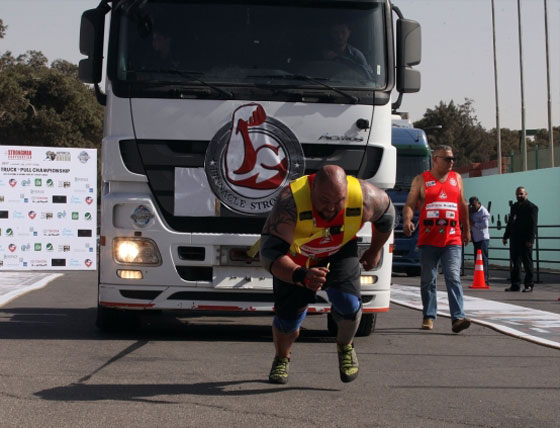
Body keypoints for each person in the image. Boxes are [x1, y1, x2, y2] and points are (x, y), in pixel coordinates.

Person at [259, 165, 394, 384]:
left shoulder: (366, 197)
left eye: (338, 201)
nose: (331, 208)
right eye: (324, 200)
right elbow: (269, 254)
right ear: (312, 190)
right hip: (297, 258)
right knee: (288, 320)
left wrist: (374, 250)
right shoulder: (289, 202)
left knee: (349, 304)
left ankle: (345, 346)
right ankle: (282, 357)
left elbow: (387, 216)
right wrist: (300, 274)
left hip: (338, 251)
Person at [402, 145, 471, 333]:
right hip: (428, 240)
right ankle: (429, 316)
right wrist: (407, 220)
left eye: (452, 159)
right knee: (428, 279)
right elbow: (409, 204)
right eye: (447, 159)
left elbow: (462, 204)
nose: (451, 162)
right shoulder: (421, 180)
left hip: (452, 239)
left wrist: (466, 229)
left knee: (453, 276)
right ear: (435, 159)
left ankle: (458, 317)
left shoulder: (456, 178)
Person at [502, 186, 539, 292]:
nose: (519, 196)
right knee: (515, 263)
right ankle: (515, 284)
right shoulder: (514, 207)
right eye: (517, 194)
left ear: (526, 194)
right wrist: (506, 236)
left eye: (521, 194)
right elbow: (510, 222)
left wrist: (531, 240)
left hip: (526, 240)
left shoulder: (532, 207)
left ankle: (529, 284)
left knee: (527, 263)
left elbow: (533, 225)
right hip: (515, 239)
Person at [469, 196, 490, 285]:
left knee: (483, 259)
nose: (473, 207)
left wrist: (473, 224)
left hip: (482, 239)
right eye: (471, 206)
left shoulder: (484, 212)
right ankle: (479, 277)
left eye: (474, 205)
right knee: (477, 260)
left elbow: (485, 225)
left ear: (478, 203)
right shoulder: (471, 211)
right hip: (476, 238)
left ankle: (485, 279)